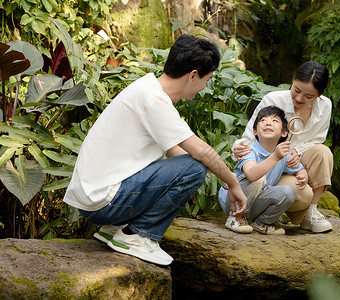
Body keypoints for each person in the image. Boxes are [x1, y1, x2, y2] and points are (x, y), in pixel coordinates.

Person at [63, 34, 247, 266]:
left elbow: (175, 154)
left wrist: (204, 172)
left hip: (96, 200)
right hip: (103, 202)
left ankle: (114, 231)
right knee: (196, 165)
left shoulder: (148, 88)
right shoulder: (153, 100)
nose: (204, 87)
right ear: (192, 76)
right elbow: (202, 154)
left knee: (193, 166)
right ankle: (137, 236)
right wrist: (233, 183)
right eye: (206, 80)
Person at [233, 61, 333, 233]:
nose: (300, 99)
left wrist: (296, 153)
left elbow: (317, 139)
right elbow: (250, 137)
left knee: (323, 152)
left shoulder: (325, 105)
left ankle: (312, 213)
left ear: (319, 94)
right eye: (296, 90)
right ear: (292, 81)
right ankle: (266, 214)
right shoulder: (272, 100)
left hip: (296, 164)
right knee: (302, 195)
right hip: (271, 166)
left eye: (309, 96)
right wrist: (238, 148)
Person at [218, 105, 308, 235]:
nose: (268, 123)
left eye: (274, 121)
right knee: (259, 177)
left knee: (288, 192)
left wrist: (302, 174)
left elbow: (298, 169)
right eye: (263, 120)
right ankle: (235, 218)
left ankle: (261, 223)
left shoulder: (283, 154)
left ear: (284, 133)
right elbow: (252, 174)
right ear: (255, 131)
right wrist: (275, 156)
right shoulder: (249, 150)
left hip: (255, 203)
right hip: (233, 200)